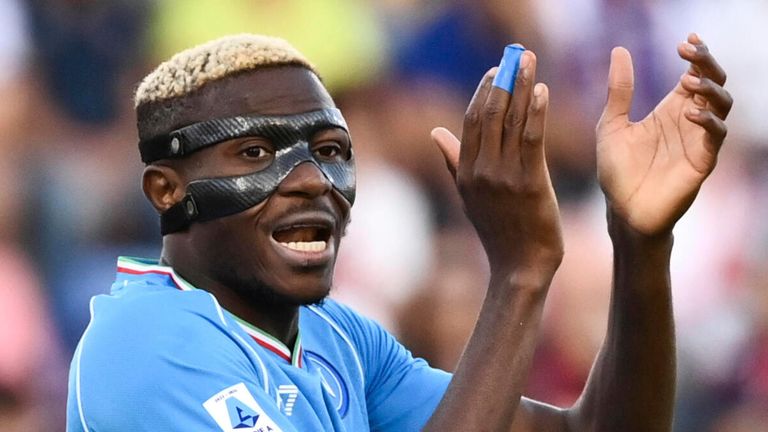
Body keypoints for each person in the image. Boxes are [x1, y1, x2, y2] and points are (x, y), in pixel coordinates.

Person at [66, 32, 731, 431]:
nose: (312, 180)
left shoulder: (341, 341)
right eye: (256, 154)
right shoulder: (143, 341)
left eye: (329, 150)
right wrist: (520, 272)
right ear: (167, 191)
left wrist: (641, 243)